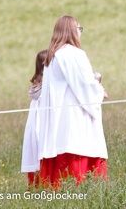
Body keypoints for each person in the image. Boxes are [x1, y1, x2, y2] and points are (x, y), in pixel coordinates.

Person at [37, 16, 108, 188]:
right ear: (71, 31)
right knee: (78, 163)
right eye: (79, 29)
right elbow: (84, 85)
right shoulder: (73, 54)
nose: (80, 32)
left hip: (59, 120)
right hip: (75, 118)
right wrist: (99, 90)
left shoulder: (53, 56)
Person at [21, 49, 47, 188]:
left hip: (37, 121)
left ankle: (36, 185)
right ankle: (39, 184)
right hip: (40, 121)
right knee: (39, 149)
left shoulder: (40, 83)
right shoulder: (43, 85)